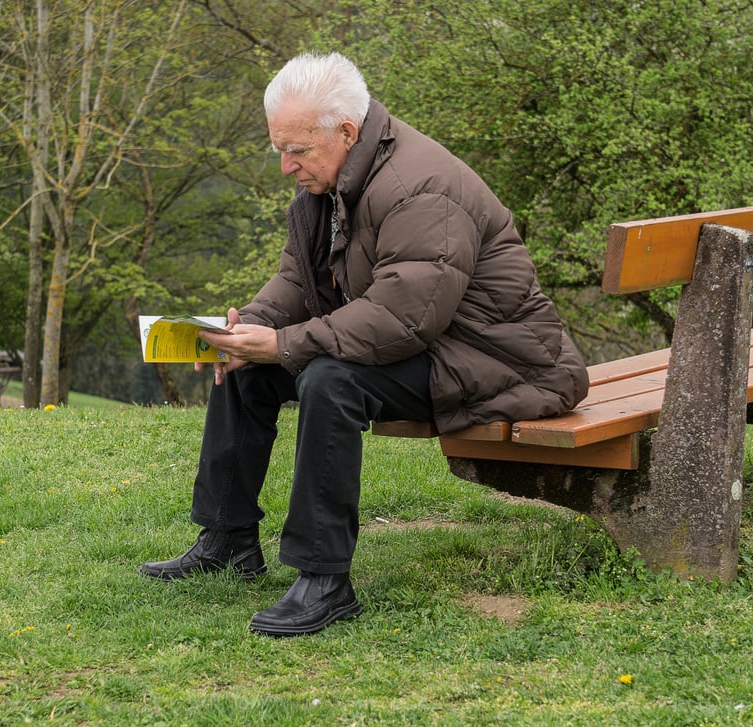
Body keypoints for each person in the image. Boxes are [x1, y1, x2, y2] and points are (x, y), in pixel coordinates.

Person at [140, 53, 589, 636]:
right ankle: (227, 537)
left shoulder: (420, 188)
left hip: (500, 363)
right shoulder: (331, 183)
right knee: (249, 364)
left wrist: (284, 344)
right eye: (279, 148)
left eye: (296, 149)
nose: (285, 166)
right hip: (434, 348)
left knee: (329, 378)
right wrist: (249, 327)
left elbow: (405, 320)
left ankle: (324, 580)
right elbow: (300, 281)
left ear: (346, 132)